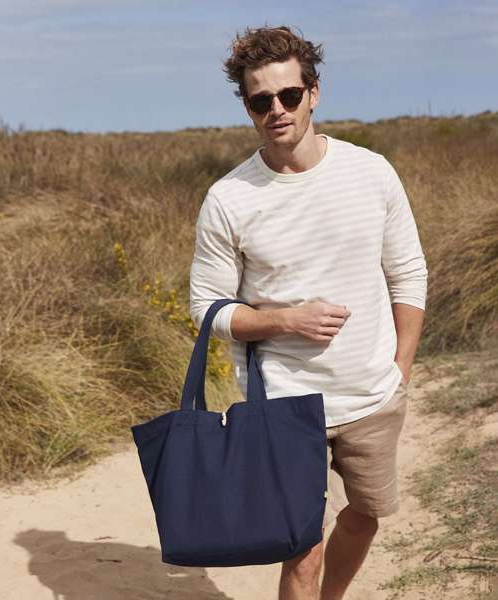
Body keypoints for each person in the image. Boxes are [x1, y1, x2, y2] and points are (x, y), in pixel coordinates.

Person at [189, 24, 428, 600]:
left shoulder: (372, 172)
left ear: (313, 93)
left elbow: (408, 274)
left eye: (289, 95)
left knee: (364, 518)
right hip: (285, 404)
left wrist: (400, 368)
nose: (277, 110)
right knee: (302, 546)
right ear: (248, 108)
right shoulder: (229, 198)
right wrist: (284, 320)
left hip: (373, 394)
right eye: (260, 101)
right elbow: (206, 309)